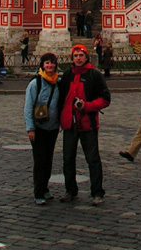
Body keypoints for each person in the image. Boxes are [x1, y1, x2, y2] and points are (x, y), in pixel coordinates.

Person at [57, 44, 111, 206]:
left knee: (93, 159)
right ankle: (70, 190)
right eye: (76, 56)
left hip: (88, 124)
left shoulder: (94, 75)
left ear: (86, 57)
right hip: (70, 124)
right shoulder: (67, 75)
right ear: (72, 58)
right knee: (68, 159)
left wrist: (87, 106)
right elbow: (60, 98)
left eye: (81, 55)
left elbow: (105, 99)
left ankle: (97, 192)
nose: (78, 58)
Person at [24, 53, 60, 205]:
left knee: (48, 160)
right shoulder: (35, 84)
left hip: (52, 128)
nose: (50, 66)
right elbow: (28, 107)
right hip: (38, 128)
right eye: (47, 63)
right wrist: (30, 128)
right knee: (40, 160)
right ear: (42, 65)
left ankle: (44, 187)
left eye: (52, 63)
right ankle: (38, 192)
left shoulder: (58, 82)